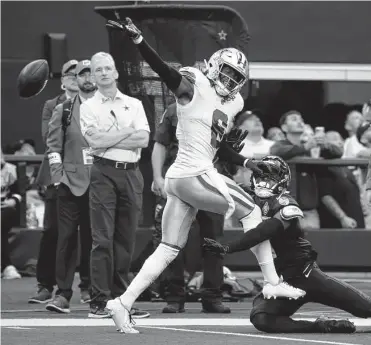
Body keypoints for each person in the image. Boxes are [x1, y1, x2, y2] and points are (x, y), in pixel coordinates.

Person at [104, 18, 305, 333]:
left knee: (169, 248)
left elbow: (219, 148)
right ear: (212, 67)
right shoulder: (193, 85)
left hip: (187, 178)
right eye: (225, 71)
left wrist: (247, 163)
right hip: (193, 174)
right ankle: (272, 282)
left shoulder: (232, 103)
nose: (228, 79)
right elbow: (167, 73)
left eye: (235, 76)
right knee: (251, 210)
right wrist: (141, 42)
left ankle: (122, 303)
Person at [203, 156, 371, 333]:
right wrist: (223, 157)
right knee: (261, 318)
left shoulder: (286, 203)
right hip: (283, 282)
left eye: (269, 178)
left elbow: (263, 232)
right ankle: (322, 325)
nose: (263, 182)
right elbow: (218, 183)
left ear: (281, 181)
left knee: (366, 308)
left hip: (306, 276)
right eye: (260, 177)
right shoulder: (249, 198)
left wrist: (229, 247)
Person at [79, 52, 150, 319]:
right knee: (102, 239)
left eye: (108, 68)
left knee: (125, 239)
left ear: (116, 72)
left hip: (131, 173)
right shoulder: (87, 106)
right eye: (99, 70)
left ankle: (122, 300)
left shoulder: (134, 104)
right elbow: (94, 142)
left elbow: (143, 139)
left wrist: (109, 138)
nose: (104, 73)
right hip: (103, 172)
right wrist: (126, 133)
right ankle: (99, 302)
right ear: (93, 76)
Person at [152, 103, 230, 313]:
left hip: (211, 178)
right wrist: (157, 177)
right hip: (180, 178)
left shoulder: (221, 109)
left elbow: (227, 148)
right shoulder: (173, 110)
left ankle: (212, 297)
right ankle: (174, 297)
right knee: (172, 239)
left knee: (213, 241)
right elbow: (160, 144)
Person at [29, 60, 90, 304]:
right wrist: (58, 176)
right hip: (60, 177)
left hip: (86, 176)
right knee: (54, 231)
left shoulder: (96, 105)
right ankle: (46, 284)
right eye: (70, 74)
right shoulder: (54, 106)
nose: (75, 77)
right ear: (62, 79)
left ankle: (87, 285)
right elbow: (49, 139)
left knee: (90, 233)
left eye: (80, 73)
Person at [44, 60, 96, 313]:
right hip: (69, 184)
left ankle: (92, 289)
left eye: (90, 72)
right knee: (66, 239)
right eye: (81, 74)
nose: (85, 77)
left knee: (94, 239)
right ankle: (62, 293)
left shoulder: (109, 109)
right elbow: (53, 147)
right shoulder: (63, 110)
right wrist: (57, 177)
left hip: (99, 184)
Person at [1, 148, 22, 279]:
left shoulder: (10, 169)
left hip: (6, 207)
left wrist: (13, 201)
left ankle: (6, 266)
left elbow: (19, 193)